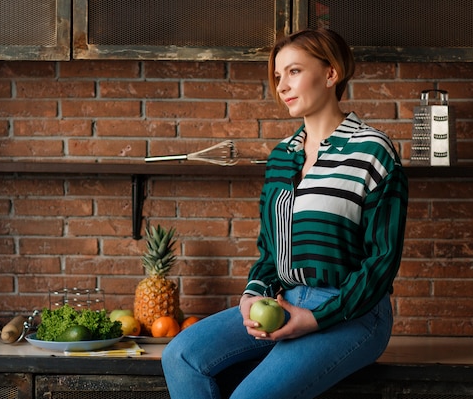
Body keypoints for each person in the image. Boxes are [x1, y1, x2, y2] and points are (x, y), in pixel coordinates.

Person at [161, 28, 408, 399]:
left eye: (293, 71)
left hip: (356, 312)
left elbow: (382, 261)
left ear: (330, 74)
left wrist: (315, 318)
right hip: (286, 301)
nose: (281, 86)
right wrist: (250, 297)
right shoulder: (282, 156)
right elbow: (269, 250)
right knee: (180, 355)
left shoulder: (373, 151)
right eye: (278, 76)